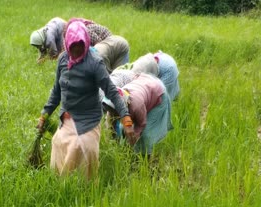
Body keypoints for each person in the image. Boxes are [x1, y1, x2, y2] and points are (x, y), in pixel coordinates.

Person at [36, 20, 135, 179]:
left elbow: (112, 91)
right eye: (73, 47)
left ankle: (85, 188)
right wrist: (44, 115)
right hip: (68, 117)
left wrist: (126, 119)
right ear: (67, 44)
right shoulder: (63, 60)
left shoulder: (95, 63)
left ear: (86, 43)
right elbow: (56, 92)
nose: (76, 51)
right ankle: (62, 185)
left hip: (88, 118)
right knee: (58, 142)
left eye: (80, 46)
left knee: (82, 147)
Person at [102, 73, 173, 155]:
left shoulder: (136, 106)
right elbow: (110, 127)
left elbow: (141, 124)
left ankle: (145, 156)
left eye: (115, 111)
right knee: (123, 128)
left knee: (146, 134)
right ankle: (130, 152)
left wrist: (133, 139)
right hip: (143, 84)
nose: (112, 113)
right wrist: (112, 144)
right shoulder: (111, 104)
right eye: (111, 110)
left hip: (157, 91)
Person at [115, 51, 180, 101]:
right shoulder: (131, 70)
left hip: (167, 68)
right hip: (163, 58)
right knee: (170, 89)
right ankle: (176, 97)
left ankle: (173, 101)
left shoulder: (134, 75)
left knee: (162, 95)